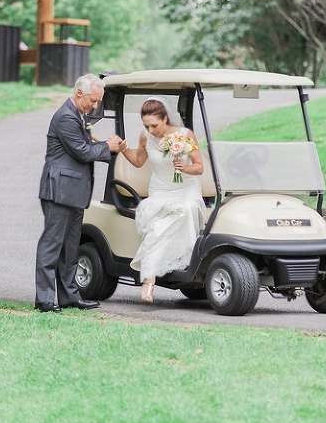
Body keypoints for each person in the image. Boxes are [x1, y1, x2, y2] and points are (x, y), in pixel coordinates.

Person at [35, 74, 125, 312]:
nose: (95, 106)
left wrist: (109, 147)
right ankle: (44, 299)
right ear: (79, 94)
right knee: (52, 244)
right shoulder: (65, 117)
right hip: (59, 191)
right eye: (93, 101)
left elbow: (85, 149)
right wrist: (108, 146)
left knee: (71, 247)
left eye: (98, 102)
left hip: (74, 193)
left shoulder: (79, 115)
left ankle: (69, 297)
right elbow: (82, 152)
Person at [118, 97, 206, 303]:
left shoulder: (185, 135)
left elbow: (199, 167)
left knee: (185, 209)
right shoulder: (145, 137)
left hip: (186, 188)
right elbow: (138, 161)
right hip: (160, 190)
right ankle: (149, 282)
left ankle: (184, 261)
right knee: (156, 227)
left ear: (165, 118)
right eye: (146, 125)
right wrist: (124, 149)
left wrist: (185, 168)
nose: (151, 130)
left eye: (154, 125)